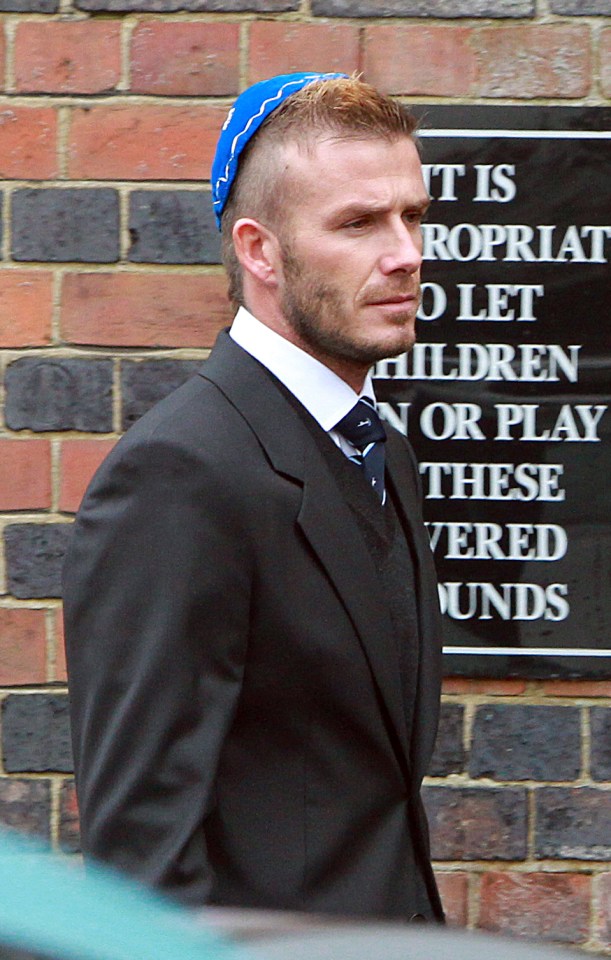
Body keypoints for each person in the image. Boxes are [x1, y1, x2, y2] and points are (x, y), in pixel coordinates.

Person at [63, 72, 444, 923]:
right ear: (258, 249)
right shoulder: (178, 475)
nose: (405, 253)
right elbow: (140, 861)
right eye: (357, 223)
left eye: (411, 216)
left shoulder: (383, 452)